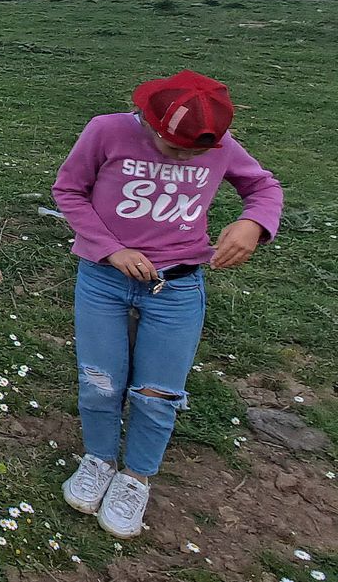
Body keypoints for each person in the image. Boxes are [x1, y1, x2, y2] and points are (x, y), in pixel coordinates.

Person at [51, 69, 282, 539]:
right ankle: (98, 459)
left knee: (158, 393)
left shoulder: (222, 146)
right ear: (149, 122)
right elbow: (68, 192)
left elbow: (264, 188)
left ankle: (135, 478)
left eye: (197, 154)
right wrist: (110, 247)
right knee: (99, 381)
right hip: (104, 278)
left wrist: (253, 224)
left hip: (176, 287)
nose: (185, 158)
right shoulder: (107, 131)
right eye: (174, 149)